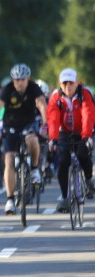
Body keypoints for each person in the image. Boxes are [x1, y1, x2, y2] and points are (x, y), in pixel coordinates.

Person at [0, 63, 47, 215]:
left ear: (28, 78)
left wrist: (45, 125)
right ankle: (9, 199)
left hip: (29, 123)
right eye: (16, 80)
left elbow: (42, 105)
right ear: (12, 80)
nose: (19, 83)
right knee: (9, 159)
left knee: (32, 140)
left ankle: (34, 169)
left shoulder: (34, 88)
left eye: (22, 79)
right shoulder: (7, 89)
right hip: (11, 125)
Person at [47, 68, 95, 212]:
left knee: (82, 154)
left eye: (71, 83)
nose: (68, 86)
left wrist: (87, 136)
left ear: (76, 83)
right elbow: (53, 118)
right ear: (60, 84)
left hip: (82, 131)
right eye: (64, 83)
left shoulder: (84, 94)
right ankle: (65, 197)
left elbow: (88, 114)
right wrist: (53, 139)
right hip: (64, 132)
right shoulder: (56, 97)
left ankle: (88, 180)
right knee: (62, 161)